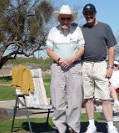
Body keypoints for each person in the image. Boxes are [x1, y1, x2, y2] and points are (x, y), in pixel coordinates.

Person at [46, 5, 85, 133]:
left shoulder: (77, 30)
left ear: (71, 19)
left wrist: (72, 59)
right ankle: (60, 129)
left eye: (68, 18)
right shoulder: (53, 31)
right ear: (59, 19)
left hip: (74, 67)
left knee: (75, 100)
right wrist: (59, 60)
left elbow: (81, 48)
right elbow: (49, 50)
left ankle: (73, 129)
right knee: (58, 101)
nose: (65, 21)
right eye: (63, 18)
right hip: (57, 67)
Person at [81, 3, 118, 133]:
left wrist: (110, 66)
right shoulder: (81, 29)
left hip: (101, 64)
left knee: (105, 98)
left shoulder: (105, 27)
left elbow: (111, 48)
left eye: (91, 13)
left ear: (95, 13)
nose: (89, 15)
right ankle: (91, 125)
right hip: (85, 65)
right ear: (84, 14)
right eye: (86, 13)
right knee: (88, 97)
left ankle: (110, 125)